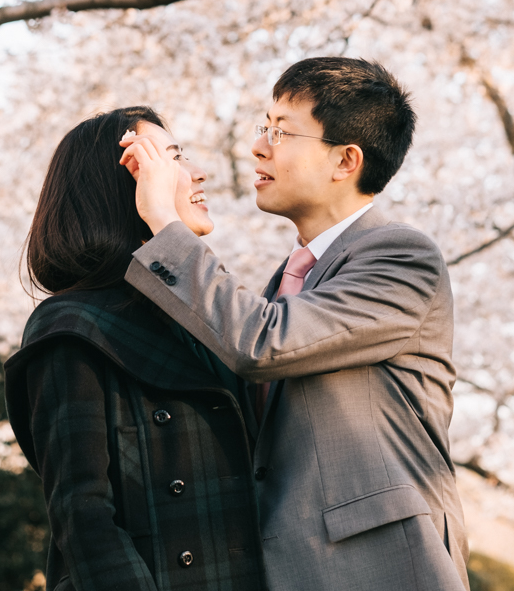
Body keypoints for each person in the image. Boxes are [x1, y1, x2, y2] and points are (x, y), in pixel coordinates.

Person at [120, 58, 469, 591]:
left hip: (385, 571)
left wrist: (165, 224)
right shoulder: (283, 284)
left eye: (281, 131)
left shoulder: (401, 257)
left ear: (345, 160)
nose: (259, 146)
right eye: (265, 126)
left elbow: (263, 344)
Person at [4, 106, 267, 591]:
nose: (197, 172)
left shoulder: (213, 319)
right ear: (120, 187)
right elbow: (83, 516)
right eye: (171, 159)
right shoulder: (70, 327)